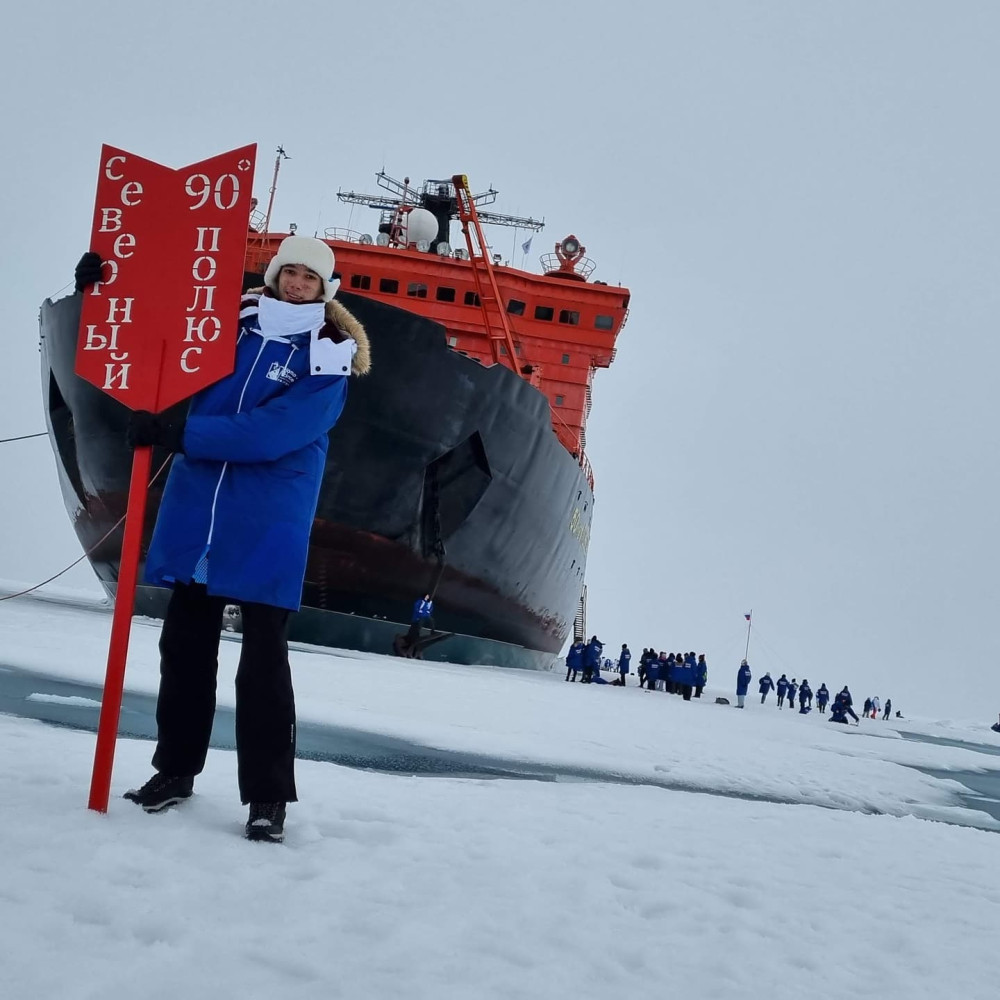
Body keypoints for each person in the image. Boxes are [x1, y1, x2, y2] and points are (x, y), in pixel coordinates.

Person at [78, 236, 371, 843]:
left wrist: (183, 435)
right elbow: (147, 325)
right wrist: (98, 289)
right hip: (199, 510)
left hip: (266, 519)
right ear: (274, 274)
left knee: (263, 665)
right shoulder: (226, 321)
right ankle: (174, 772)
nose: (296, 283)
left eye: (308, 278)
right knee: (184, 653)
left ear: (325, 289)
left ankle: (268, 798)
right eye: (288, 271)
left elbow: (276, 431)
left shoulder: (329, 351)